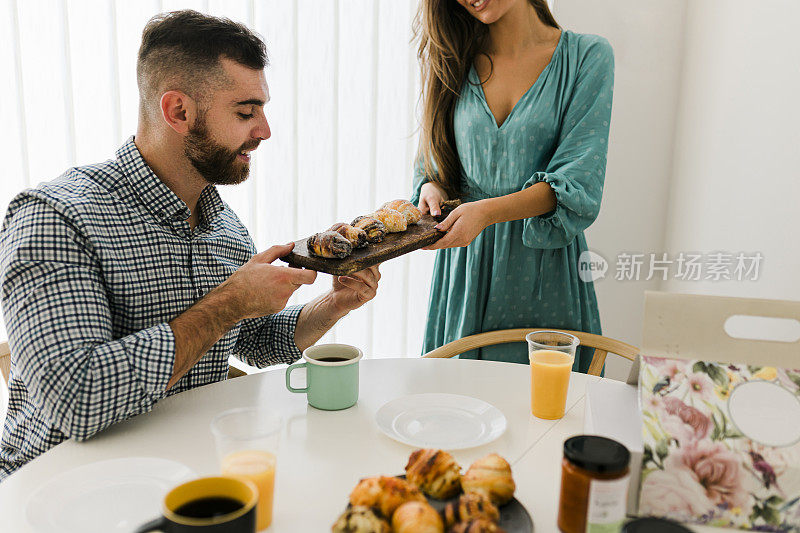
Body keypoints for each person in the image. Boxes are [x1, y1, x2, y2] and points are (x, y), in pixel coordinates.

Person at [0, 10, 381, 480]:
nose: (264, 131)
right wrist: (226, 303)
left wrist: (333, 304)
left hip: (185, 475)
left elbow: (254, 340)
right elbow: (78, 399)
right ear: (178, 111)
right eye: (245, 113)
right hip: (61, 492)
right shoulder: (55, 217)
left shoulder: (224, 226)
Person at [411, 0, 613, 369]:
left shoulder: (587, 57)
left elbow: (578, 182)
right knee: (457, 408)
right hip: (465, 267)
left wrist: (485, 213)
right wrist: (432, 187)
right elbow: (433, 162)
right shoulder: (452, 56)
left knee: (542, 413)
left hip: (543, 267)